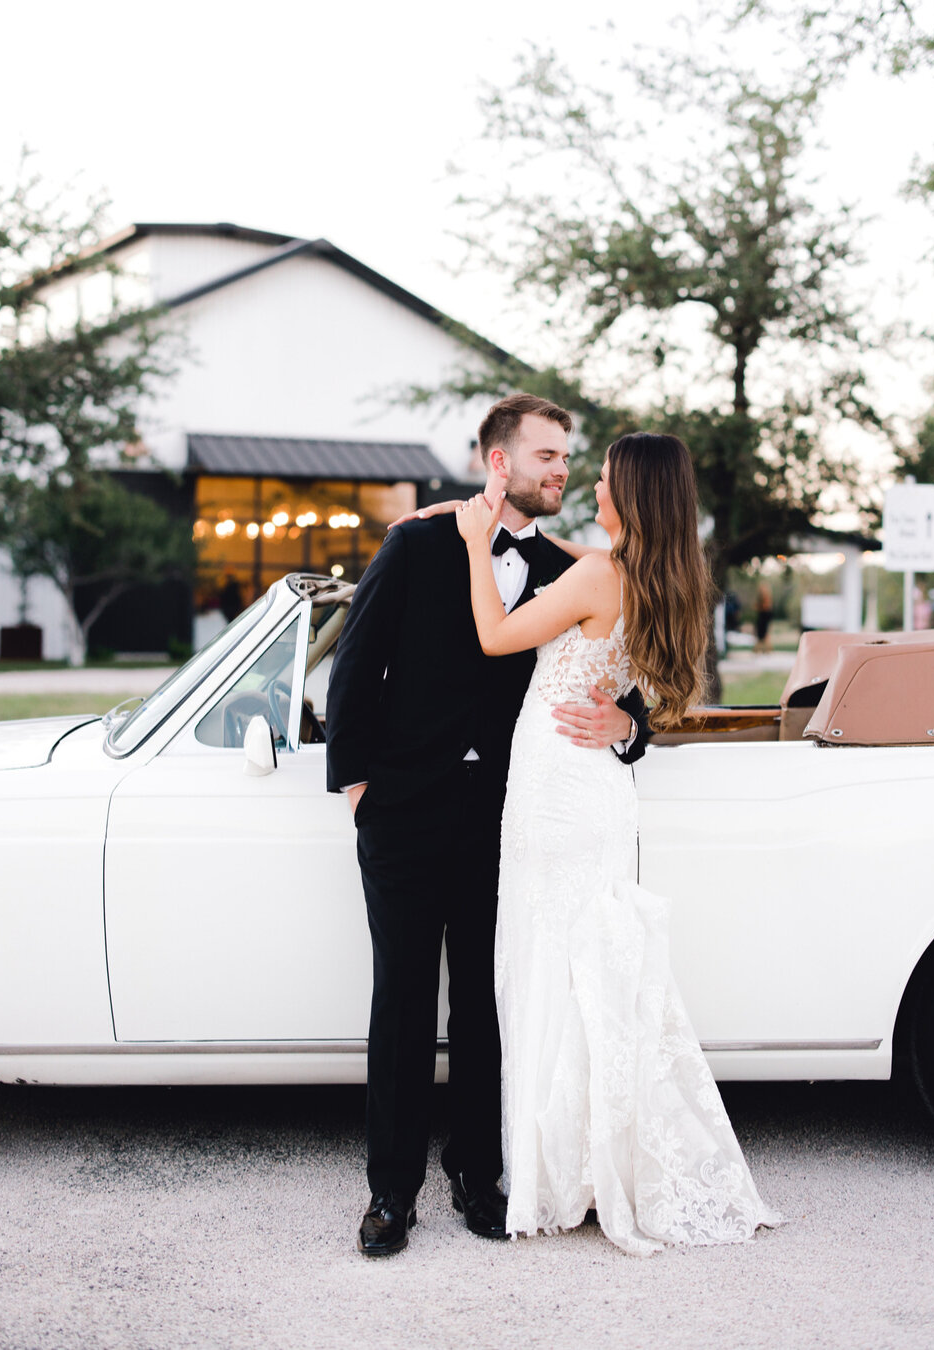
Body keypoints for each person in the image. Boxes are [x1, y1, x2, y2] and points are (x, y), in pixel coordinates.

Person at [324, 394, 650, 1257]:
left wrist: (631, 730)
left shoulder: (575, 566)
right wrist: (359, 790)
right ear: (496, 461)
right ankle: (391, 1194)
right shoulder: (416, 543)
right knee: (399, 1003)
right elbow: (354, 671)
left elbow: (631, 685)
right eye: (546, 455)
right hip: (401, 810)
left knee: (485, 1002)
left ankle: (480, 1174)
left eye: (567, 459)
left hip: (508, 821)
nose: (562, 471)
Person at [453, 432, 781, 1256]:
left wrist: (472, 543)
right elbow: (655, 686)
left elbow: (495, 635)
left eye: (600, 478)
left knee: (550, 967)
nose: (590, 487)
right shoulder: (659, 574)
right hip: (596, 788)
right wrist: (629, 720)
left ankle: (562, 1167)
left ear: (628, 494)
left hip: (557, 791)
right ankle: (595, 1158)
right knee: (586, 970)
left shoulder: (599, 574)